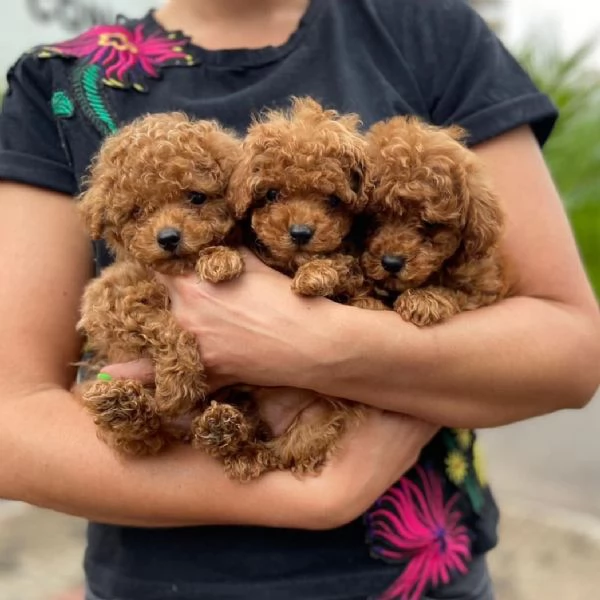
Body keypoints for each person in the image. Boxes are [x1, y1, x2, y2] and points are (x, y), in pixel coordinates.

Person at [0, 0, 598, 598]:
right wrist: (312, 496)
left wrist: (317, 344)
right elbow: (12, 427)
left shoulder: (431, 31)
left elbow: (570, 351)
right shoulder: (56, 80)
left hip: (425, 575)